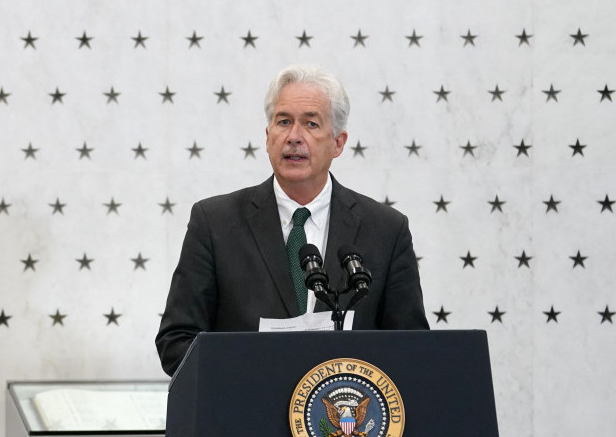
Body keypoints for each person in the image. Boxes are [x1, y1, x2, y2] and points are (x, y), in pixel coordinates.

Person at [155, 65, 429, 376]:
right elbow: (175, 342)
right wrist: (253, 372)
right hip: (246, 413)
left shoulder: (386, 230)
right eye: (283, 122)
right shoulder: (214, 223)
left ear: (338, 143)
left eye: (311, 124)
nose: (294, 137)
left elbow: (412, 348)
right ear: (268, 136)